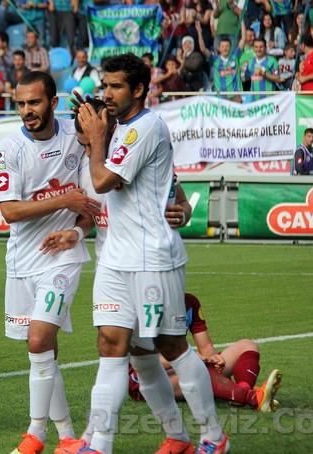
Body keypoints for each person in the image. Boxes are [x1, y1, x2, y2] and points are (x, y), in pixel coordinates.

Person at [72, 53, 228, 454]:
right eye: (104, 86)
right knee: (114, 346)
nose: (107, 94)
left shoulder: (145, 127)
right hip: (114, 259)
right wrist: (93, 126)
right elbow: (165, 182)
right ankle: (102, 444)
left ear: (139, 89)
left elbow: (102, 180)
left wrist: (95, 139)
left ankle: (213, 436)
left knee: (169, 346)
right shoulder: (121, 128)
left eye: (116, 86)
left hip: (151, 258)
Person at [0, 70, 100, 454]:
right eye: (21, 103)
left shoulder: (76, 136)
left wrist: (77, 232)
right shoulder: (8, 149)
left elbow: (91, 205)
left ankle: (35, 433)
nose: (27, 110)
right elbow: (9, 211)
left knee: (38, 340)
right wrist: (63, 201)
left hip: (64, 257)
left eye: (34, 102)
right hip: (23, 261)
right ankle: (67, 436)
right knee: (44, 350)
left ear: (53, 102)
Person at [128, 293, 283, 412]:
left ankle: (243, 389)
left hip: (182, 367)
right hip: (145, 379)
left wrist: (213, 357)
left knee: (247, 345)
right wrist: (186, 358)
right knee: (198, 369)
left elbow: (206, 346)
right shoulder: (146, 308)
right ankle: (252, 399)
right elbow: (144, 362)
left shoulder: (189, 302)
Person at [197, 20, 245, 101]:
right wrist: (199, 33)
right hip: (222, 97)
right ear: (219, 48)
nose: (225, 48)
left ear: (231, 48)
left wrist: (242, 21)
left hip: (236, 95)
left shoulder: (235, 56)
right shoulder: (215, 60)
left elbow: (243, 39)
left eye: (227, 46)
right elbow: (203, 49)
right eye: (222, 46)